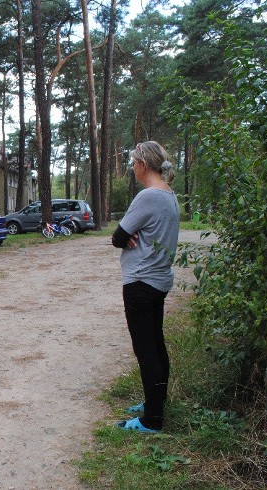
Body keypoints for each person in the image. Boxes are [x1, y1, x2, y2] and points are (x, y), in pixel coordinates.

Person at [111, 141, 180, 433]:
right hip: (158, 279)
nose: (132, 168)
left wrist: (127, 236)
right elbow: (132, 233)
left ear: (142, 165)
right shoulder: (169, 195)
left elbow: (117, 236)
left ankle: (152, 419)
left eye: (133, 162)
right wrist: (131, 235)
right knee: (156, 344)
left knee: (146, 349)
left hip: (141, 281)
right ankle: (156, 401)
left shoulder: (148, 197)